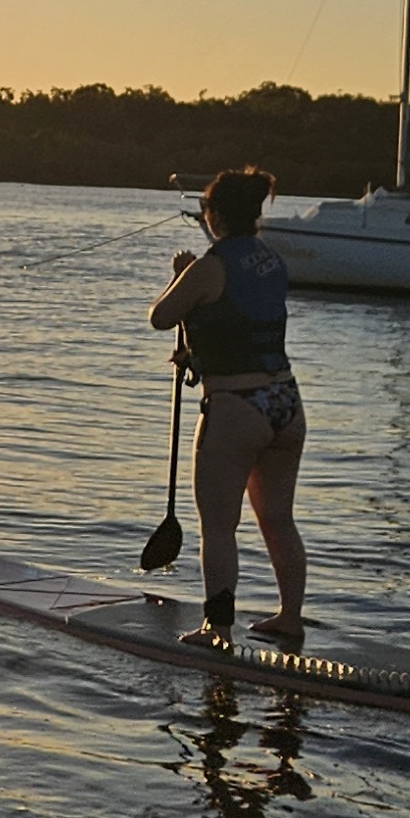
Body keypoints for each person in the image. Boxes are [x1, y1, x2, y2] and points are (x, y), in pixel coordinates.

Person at [150, 167, 308, 645]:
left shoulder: (208, 268)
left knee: (218, 526)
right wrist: (198, 352)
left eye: (205, 207)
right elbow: (241, 322)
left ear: (214, 215)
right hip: (286, 402)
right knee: (278, 518)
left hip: (236, 407)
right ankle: (290, 617)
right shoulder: (272, 260)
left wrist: (183, 275)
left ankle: (217, 627)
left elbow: (160, 317)